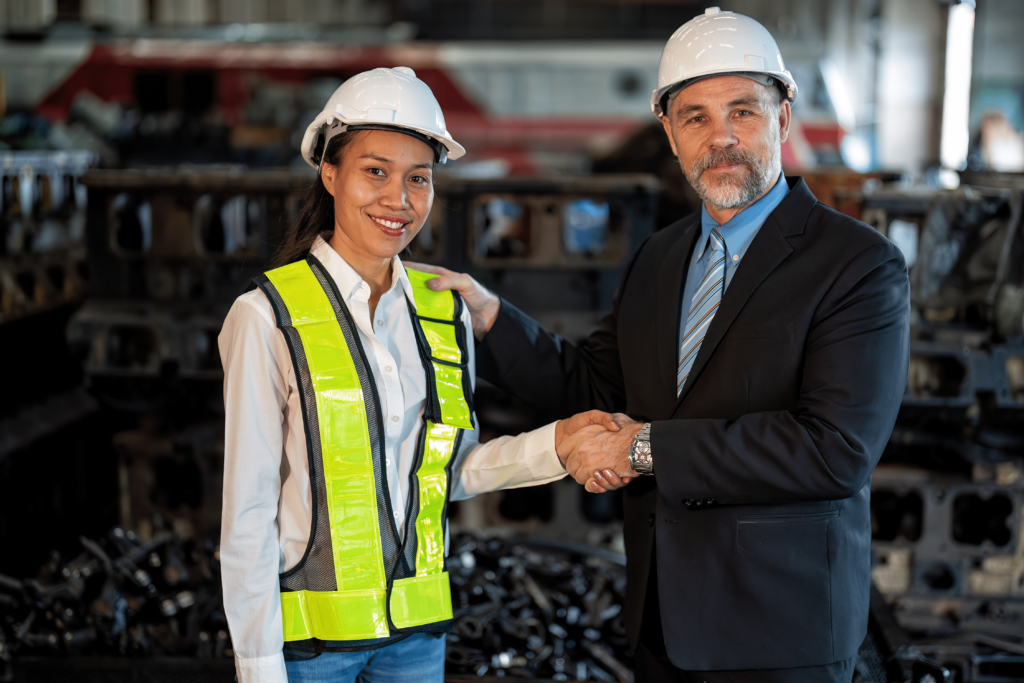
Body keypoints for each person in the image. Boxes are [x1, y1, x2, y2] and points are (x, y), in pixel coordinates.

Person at [411, 8, 911, 682]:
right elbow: (595, 387)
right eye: (695, 117)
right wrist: (491, 317)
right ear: (670, 135)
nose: (722, 137)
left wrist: (640, 447)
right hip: (661, 623)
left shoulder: (856, 263)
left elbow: (834, 449)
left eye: (744, 111)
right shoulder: (661, 256)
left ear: (783, 119)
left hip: (778, 635)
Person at [217, 67, 618, 683]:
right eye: (375, 171)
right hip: (307, 652)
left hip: (417, 641)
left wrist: (555, 446)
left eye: (418, 178)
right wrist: (259, 667)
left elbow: (447, 471)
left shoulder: (442, 309)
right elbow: (246, 512)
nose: (398, 199)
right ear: (330, 173)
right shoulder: (266, 315)